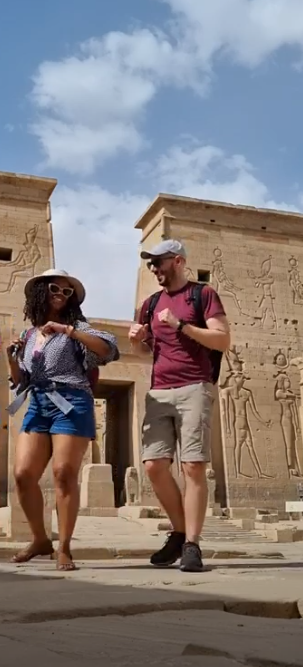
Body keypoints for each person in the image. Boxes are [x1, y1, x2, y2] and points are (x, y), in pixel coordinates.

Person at [7, 269, 119, 571]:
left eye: (67, 292)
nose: (61, 294)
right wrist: (12, 358)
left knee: (63, 473)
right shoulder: (29, 335)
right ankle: (40, 540)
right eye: (55, 288)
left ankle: (65, 548)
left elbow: (108, 348)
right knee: (22, 475)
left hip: (72, 402)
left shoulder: (77, 326)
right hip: (38, 403)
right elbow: (21, 380)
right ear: (41, 291)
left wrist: (68, 331)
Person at [129, 240, 230, 572]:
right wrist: (137, 341)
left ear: (178, 261)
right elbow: (146, 353)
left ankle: (191, 544)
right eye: (150, 264)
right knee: (154, 465)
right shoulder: (150, 303)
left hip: (194, 386)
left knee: (193, 467)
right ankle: (179, 530)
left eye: (159, 262)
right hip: (160, 389)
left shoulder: (202, 295)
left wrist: (181, 325)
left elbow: (222, 339)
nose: (155, 269)